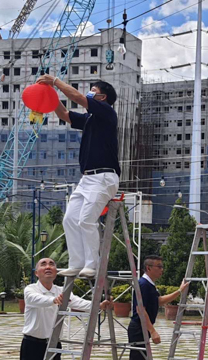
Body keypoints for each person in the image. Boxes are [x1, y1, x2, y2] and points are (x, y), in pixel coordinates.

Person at [35, 75, 119, 279]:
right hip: (87, 179)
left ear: (102, 97)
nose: (89, 94)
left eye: (93, 91)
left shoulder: (106, 112)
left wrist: (55, 81)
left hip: (104, 176)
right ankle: (77, 262)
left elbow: (79, 98)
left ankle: (92, 264)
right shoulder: (90, 119)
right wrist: (49, 96)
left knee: (86, 220)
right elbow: (65, 114)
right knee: (70, 219)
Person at [121, 255, 189, 360]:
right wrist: (153, 331)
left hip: (142, 327)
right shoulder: (143, 284)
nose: (162, 270)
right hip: (139, 328)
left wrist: (179, 291)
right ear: (149, 268)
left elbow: (159, 301)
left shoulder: (150, 285)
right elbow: (140, 310)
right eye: (159, 266)